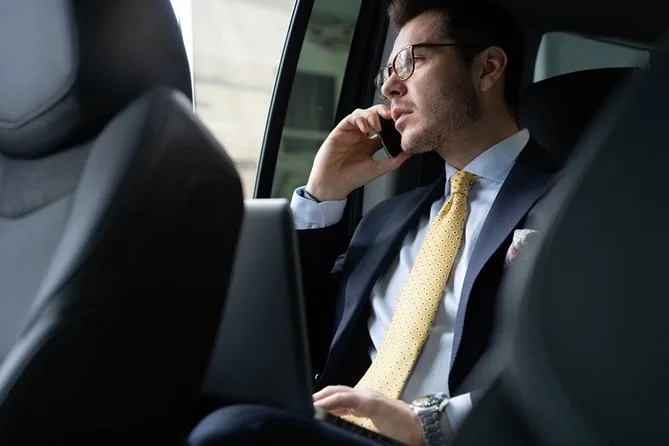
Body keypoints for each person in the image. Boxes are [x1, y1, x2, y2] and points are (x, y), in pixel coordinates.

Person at [189, 0, 560, 444]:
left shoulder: (577, 205)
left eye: (410, 62)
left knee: (234, 432)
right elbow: (279, 332)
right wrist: (323, 194)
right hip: (338, 427)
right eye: (386, 72)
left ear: (488, 68)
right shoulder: (387, 220)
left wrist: (430, 422)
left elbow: (588, 361)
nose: (390, 87)